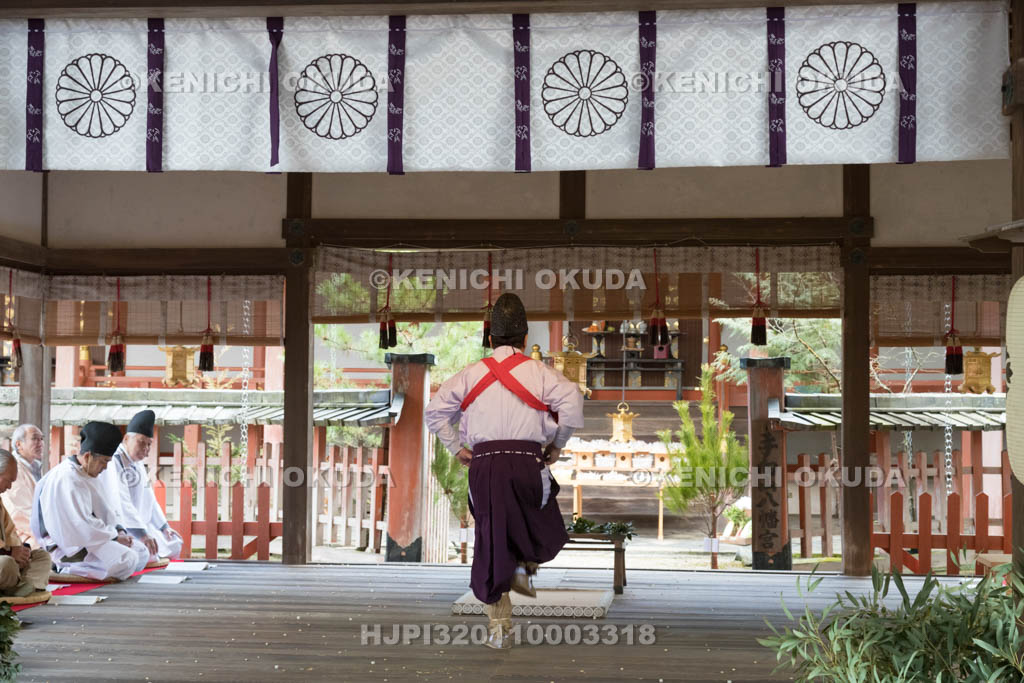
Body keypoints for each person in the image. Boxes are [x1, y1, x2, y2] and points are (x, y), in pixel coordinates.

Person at [424, 292, 584, 649]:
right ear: (526, 338)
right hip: (529, 464)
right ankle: (518, 578)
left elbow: (434, 413)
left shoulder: (468, 375)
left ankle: (500, 626)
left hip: (484, 466)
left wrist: (457, 448)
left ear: (491, 338)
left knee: (492, 538)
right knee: (534, 527)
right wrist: (556, 446)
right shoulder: (542, 374)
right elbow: (571, 406)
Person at [32, 421, 149, 581]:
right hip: (68, 548)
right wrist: (114, 537)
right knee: (127, 560)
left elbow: (107, 510)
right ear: (88, 456)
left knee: (141, 552)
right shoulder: (67, 478)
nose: (105, 468)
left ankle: (92, 569)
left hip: (92, 538)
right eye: (104, 462)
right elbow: (80, 525)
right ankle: (66, 568)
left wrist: (120, 531)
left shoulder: (88, 473)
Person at [99, 410, 182, 562]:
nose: (146, 448)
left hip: (142, 525)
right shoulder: (114, 461)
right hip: (123, 528)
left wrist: (163, 526)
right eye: (141, 442)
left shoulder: (136, 463)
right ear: (126, 439)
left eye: (149, 444)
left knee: (174, 543)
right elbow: (121, 501)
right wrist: (142, 534)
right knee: (146, 553)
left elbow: (149, 498)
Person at [0, 450, 50, 597]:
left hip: (9, 560)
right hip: (4, 562)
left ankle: (22, 586)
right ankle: (20, 586)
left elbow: (10, 533)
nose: (9, 487)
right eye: (8, 480)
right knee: (5, 564)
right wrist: (10, 553)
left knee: (42, 556)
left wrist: (21, 551)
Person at [2, 423, 44, 545]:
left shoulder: (35, 467)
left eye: (41, 438)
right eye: (35, 438)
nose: (40, 443)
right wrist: (49, 531)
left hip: (35, 529)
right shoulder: (14, 469)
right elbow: (23, 512)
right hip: (23, 534)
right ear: (19, 444)